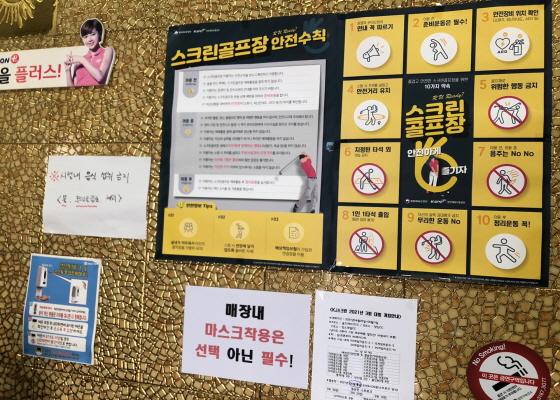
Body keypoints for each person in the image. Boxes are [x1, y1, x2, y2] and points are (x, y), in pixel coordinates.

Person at [65, 19, 115, 87]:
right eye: (85, 36)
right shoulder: (78, 62)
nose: (89, 39)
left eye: (93, 34)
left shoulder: (107, 51)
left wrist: (82, 59)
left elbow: (100, 77)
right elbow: (73, 89)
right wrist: (67, 70)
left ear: (99, 34)